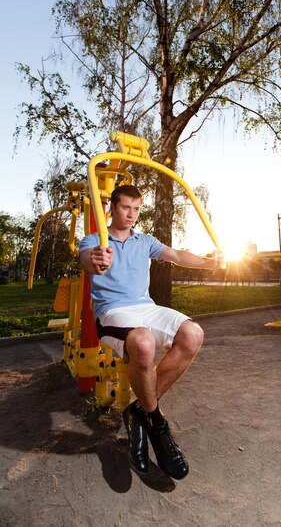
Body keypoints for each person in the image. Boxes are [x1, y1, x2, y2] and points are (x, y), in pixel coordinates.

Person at [79, 184, 222, 480]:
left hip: (145, 306)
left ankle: (138, 411)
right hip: (113, 311)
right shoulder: (95, 240)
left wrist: (210, 263)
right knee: (143, 343)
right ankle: (156, 422)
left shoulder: (144, 241)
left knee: (192, 335)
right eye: (125, 207)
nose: (131, 214)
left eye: (136, 209)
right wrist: (95, 260)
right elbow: (88, 260)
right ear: (112, 208)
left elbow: (177, 255)